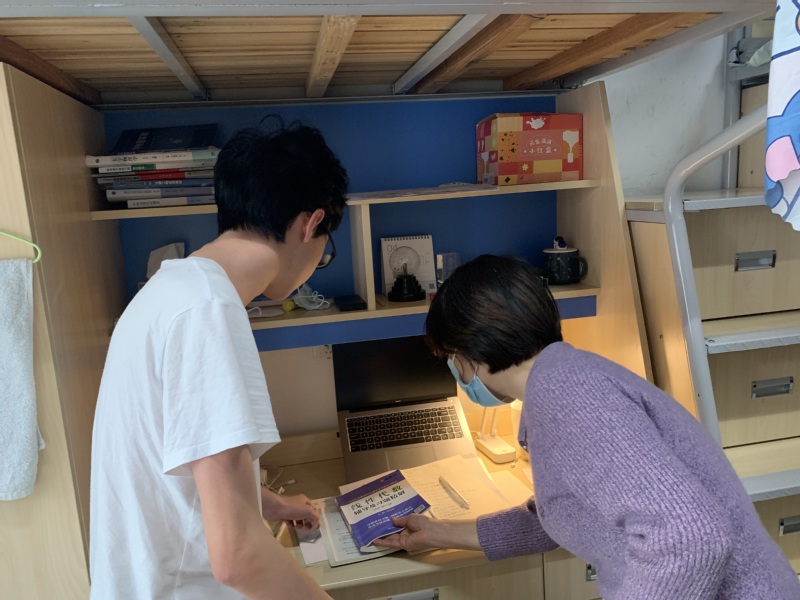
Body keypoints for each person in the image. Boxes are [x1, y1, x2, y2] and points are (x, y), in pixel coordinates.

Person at [374, 254, 800, 599]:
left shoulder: (567, 392)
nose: (455, 369)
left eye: (450, 357)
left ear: (469, 351)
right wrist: (437, 532)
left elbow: (689, 537)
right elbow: (562, 514)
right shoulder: (563, 379)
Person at [89, 121, 348, 599]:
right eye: (324, 250)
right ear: (311, 224)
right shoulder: (209, 312)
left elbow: (185, 467)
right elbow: (238, 558)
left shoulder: (169, 289)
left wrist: (270, 504)